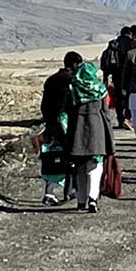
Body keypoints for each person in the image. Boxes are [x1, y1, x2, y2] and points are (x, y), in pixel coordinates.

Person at [63, 61, 116, 213]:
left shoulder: (73, 88)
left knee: (80, 166)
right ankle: (93, 198)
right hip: (96, 128)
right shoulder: (100, 89)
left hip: (77, 128)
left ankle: (81, 200)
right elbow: (106, 112)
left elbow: (67, 110)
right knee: (95, 164)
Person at [39, 51, 83, 205]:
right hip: (69, 125)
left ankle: (49, 192)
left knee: (52, 158)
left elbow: (44, 105)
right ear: (76, 64)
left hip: (52, 125)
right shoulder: (74, 81)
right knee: (73, 157)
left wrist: (48, 122)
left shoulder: (51, 80)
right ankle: (72, 190)